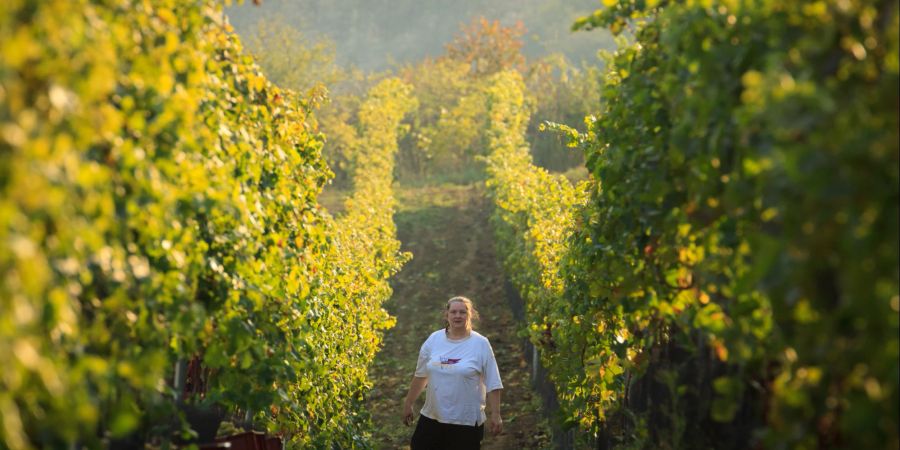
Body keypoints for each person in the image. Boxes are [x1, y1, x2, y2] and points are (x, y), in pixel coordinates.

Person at [402, 296, 503, 449]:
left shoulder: (481, 344)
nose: (457, 316)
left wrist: (496, 414)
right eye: (453, 312)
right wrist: (408, 403)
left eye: (462, 312)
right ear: (446, 315)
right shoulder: (434, 339)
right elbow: (421, 375)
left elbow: (493, 382)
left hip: (465, 423)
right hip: (432, 417)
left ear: (470, 315)